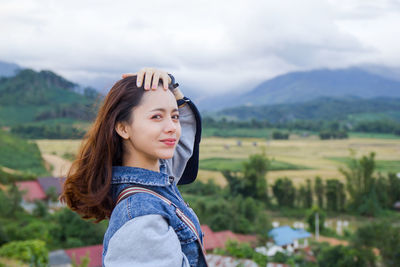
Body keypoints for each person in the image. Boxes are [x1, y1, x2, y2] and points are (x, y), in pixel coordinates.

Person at [61, 68, 207, 267]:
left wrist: (172, 87)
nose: (172, 127)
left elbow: (186, 136)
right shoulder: (142, 218)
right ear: (123, 128)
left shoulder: (157, 177)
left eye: (174, 116)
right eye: (156, 117)